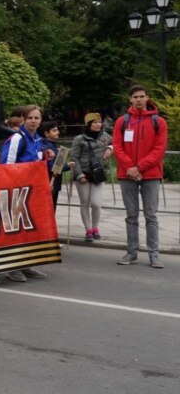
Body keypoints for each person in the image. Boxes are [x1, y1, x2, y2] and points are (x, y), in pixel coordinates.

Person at [113, 85, 168, 268]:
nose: (138, 99)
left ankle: (154, 254)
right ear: (130, 99)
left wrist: (139, 167)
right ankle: (131, 252)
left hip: (150, 174)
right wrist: (130, 167)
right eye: (135, 96)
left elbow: (159, 149)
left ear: (147, 98)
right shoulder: (122, 121)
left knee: (151, 215)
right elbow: (117, 146)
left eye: (141, 96)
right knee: (131, 215)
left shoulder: (158, 122)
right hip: (126, 174)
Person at [0, 104, 50, 282]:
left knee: (28, 229)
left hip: (32, 192)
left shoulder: (37, 139)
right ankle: (12, 267)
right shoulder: (17, 138)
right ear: (23, 119)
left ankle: (25, 264)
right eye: (30, 118)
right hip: (17, 191)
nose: (33, 121)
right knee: (15, 230)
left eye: (36, 118)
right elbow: (7, 165)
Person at [70, 112, 112, 242]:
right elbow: (74, 157)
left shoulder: (104, 136)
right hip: (83, 173)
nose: (98, 125)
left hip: (98, 174)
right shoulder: (79, 139)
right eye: (95, 122)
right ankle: (88, 229)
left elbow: (118, 142)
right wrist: (79, 174)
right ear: (88, 124)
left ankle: (96, 227)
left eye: (99, 122)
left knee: (96, 203)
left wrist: (111, 148)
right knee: (85, 203)